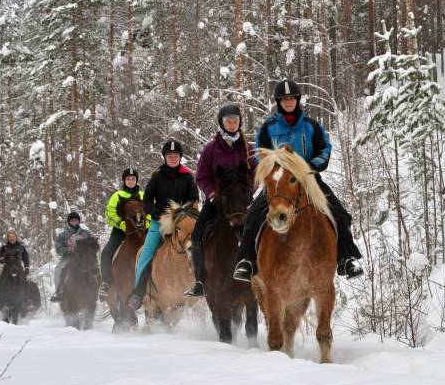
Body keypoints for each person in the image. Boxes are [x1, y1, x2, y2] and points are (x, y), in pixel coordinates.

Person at [233, 79, 364, 282]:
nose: (288, 103)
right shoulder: (268, 128)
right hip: (279, 182)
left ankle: (347, 258)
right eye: (284, 100)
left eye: (291, 99)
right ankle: (247, 261)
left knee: (338, 212)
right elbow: (261, 154)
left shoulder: (311, 126)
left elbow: (325, 150)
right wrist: (274, 167)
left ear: (297, 100)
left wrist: (310, 167)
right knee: (252, 216)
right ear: (278, 102)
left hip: (308, 179)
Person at [184, 103, 255, 297]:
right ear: (222, 123)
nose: (232, 124)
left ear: (239, 123)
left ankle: (259, 275)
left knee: (260, 232)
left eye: (235, 121)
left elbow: (256, 173)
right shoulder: (211, 149)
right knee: (197, 235)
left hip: (242, 203)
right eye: (228, 121)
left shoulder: (248, 148)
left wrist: (250, 192)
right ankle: (200, 281)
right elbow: (201, 176)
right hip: (216, 203)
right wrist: (212, 193)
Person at [127, 139, 199, 310]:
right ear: (165, 157)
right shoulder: (157, 176)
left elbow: (194, 199)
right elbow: (147, 200)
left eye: (175, 156)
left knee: (200, 247)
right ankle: (139, 293)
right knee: (147, 252)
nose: (173, 158)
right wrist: (156, 214)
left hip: (183, 222)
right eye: (169, 156)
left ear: (180, 157)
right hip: (160, 222)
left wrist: (187, 213)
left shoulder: (187, 176)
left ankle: (202, 284)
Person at [98, 167, 150, 298]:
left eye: (133, 179)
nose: (131, 181)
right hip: (120, 233)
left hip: (142, 232)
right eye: (128, 179)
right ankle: (106, 282)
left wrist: (146, 224)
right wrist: (121, 224)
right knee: (106, 253)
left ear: (136, 180)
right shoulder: (117, 196)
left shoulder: (144, 196)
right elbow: (109, 214)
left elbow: (150, 213)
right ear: (124, 180)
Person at [50, 211, 94, 302]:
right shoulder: (63, 235)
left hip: (84, 258)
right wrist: (69, 251)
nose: (74, 222)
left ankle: (99, 289)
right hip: (68, 257)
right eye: (72, 221)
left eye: (76, 220)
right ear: (69, 222)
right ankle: (60, 293)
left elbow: (93, 245)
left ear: (79, 221)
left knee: (96, 268)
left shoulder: (86, 233)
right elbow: (58, 248)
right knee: (58, 270)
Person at [0, 229, 30, 311]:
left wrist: (27, 267)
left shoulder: (21, 247)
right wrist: (3, 258)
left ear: (16, 237)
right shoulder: (4, 248)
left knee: (26, 283)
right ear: (8, 238)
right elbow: (0, 260)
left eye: (13, 236)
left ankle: (28, 300)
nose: (12, 238)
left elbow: (26, 258)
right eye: (10, 237)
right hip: (7, 269)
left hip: (19, 268)